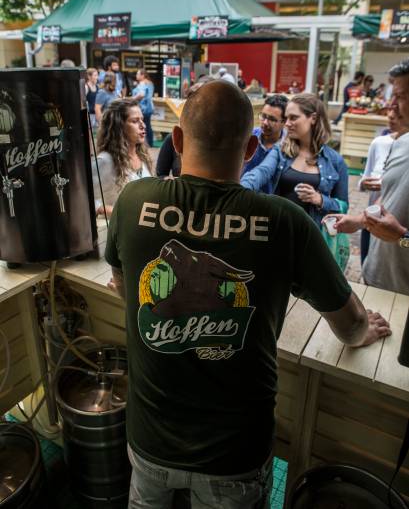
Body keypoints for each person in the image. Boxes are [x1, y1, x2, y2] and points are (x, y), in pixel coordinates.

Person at [105, 80, 389, 509]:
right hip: (233, 456)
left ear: (177, 140)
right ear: (253, 146)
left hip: (149, 443)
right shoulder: (285, 221)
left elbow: (125, 288)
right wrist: (364, 331)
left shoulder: (133, 202)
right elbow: (350, 327)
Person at [330, 59, 409, 295]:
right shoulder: (401, 142)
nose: (391, 104)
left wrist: (402, 237)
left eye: (401, 96)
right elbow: (388, 201)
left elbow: (401, 234)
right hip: (379, 278)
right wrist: (359, 221)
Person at [240, 93, 349, 230]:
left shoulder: (335, 161)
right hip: (279, 231)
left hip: (312, 236)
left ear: (313, 118)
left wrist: (320, 199)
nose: (287, 124)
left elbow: (343, 208)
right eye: (286, 118)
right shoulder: (281, 151)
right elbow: (261, 172)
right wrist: (239, 190)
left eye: (293, 118)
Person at [358, 106, 405, 263]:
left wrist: (403, 236)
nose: (391, 115)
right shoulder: (379, 143)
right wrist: (364, 184)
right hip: (372, 219)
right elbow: (365, 177)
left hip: (396, 227)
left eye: (397, 111)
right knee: (368, 265)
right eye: (390, 110)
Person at [92, 99, 153, 218]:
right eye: (135, 121)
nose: (143, 125)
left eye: (142, 120)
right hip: (118, 230)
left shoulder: (142, 155)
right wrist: (117, 211)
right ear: (119, 126)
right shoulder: (106, 160)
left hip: (141, 228)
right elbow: (87, 199)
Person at [241, 94, 287, 193]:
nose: (265, 122)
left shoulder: (289, 147)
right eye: (263, 116)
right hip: (244, 196)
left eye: (272, 119)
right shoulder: (248, 136)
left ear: (284, 122)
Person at [132, 69, 155, 147]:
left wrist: (132, 99)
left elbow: (141, 94)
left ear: (143, 75)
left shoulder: (142, 83)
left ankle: (145, 144)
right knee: (148, 126)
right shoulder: (150, 83)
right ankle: (150, 143)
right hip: (149, 107)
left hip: (143, 108)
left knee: (142, 126)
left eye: (138, 74)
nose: (136, 76)